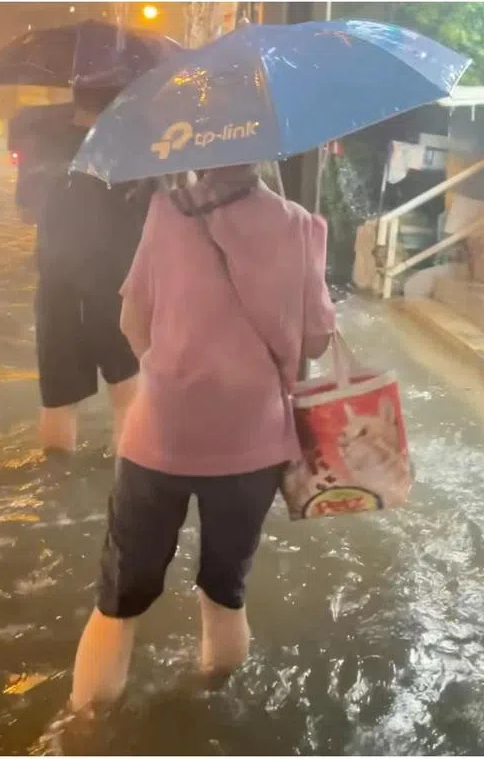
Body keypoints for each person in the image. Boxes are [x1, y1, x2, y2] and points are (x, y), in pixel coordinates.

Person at [69, 164, 336, 712]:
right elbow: (313, 341)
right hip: (254, 442)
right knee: (224, 593)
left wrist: (170, 375)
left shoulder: (169, 211)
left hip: (159, 436)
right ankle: (208, 711)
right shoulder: (302, 225)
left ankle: (84, 732)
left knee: (117, 605)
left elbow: (132, 319)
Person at [34, 85, 148, 454]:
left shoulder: (46, 142)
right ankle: (123, 482)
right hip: (114, 289)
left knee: (58, 403)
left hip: (55, 292)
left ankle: (55, 484)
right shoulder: (129, 153)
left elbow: (26, 211)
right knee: (128, 395)